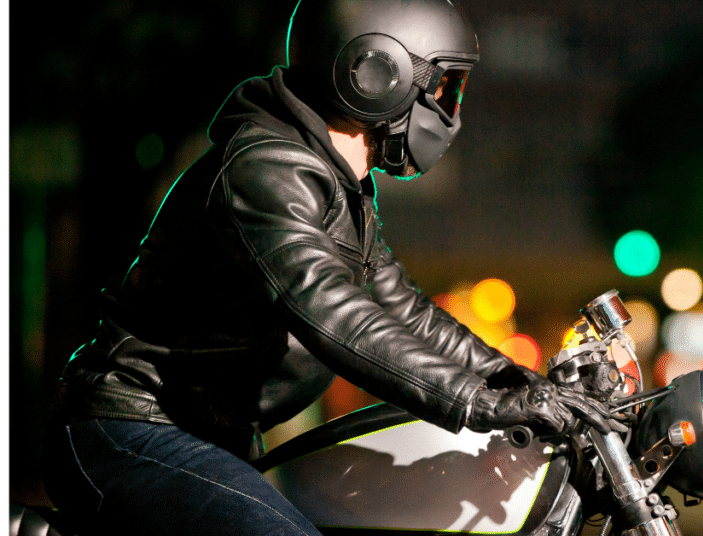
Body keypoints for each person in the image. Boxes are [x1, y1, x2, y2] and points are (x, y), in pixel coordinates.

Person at [41, 0, 613, 534]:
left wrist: (523, 383)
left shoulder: (338, 183)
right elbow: (335, 315)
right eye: (441, 86)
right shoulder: (265, 168)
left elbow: (403, 310)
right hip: (132, 428)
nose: (447, 108)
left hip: (216, 439)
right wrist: (479, 402)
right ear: (378, 73)